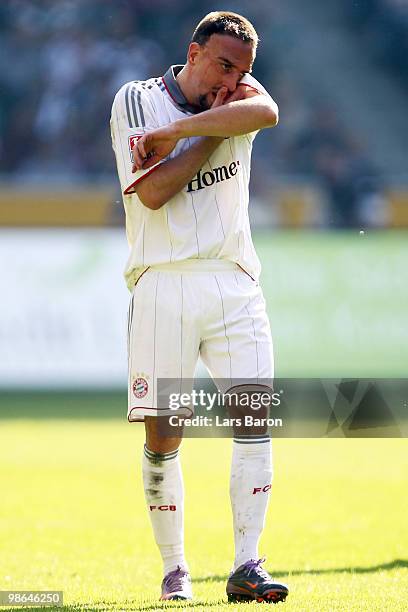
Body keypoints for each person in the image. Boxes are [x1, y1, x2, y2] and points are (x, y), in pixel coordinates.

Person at [110, 10, 289, 604]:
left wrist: (195, 130)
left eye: (241, 69)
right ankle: (175, 570)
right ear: (192, 52)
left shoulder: (243, 95)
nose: (230, 78)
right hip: (164, 279)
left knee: (255, 420)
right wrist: (214, 130)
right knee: (167, 431)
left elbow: (267, 113)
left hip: (235, 279)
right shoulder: (136, 100)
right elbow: (155, 192)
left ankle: (247, 564)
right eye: (222, 64)